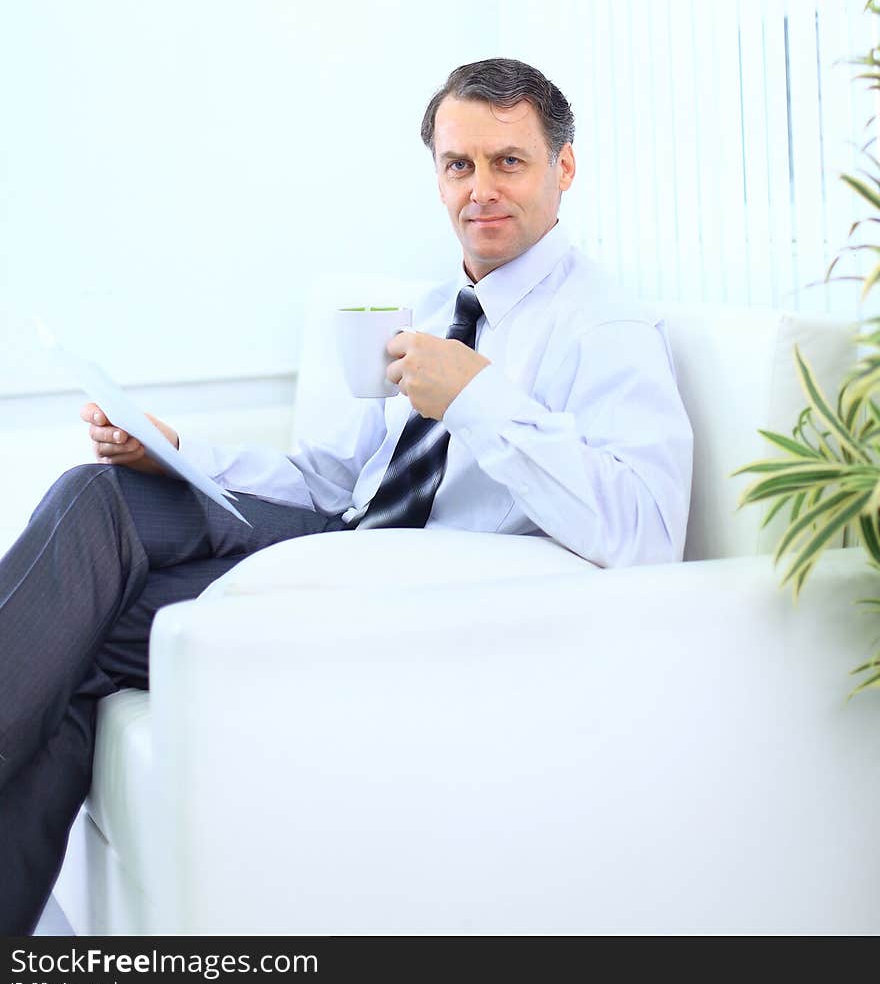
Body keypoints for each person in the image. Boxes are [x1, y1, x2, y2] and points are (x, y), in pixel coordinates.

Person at [0, 57, 693, 934]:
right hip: (345, 534)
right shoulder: (436, 301)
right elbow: (336, 477)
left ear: (564, 167)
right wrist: (175, 450)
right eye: (458, 164)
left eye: (508, 161)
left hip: (403, 591)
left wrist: (476, 395)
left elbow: (647, 529)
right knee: (98, 494)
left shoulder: (606, 327)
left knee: (73, 645)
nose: (480, 188)